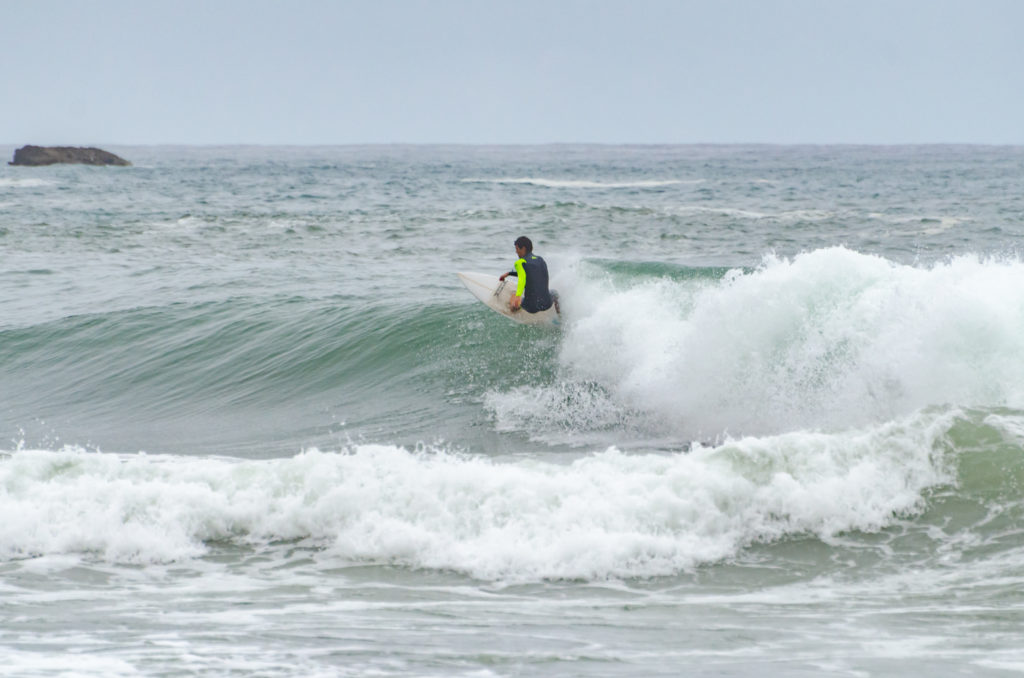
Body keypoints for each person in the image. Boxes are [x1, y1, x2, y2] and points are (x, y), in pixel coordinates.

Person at [498, 236, 553, 313]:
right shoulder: (540, 259)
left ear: (523, 249)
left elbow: (522, 278)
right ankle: (560, 316)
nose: (516, 252)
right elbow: (532, 274)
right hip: (547, 304)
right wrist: (509, 273)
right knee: (555, 294)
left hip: (531, 306)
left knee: (513, 296)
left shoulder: (520, 262)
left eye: (517, 249)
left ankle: (512, 310)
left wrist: (518, 296)